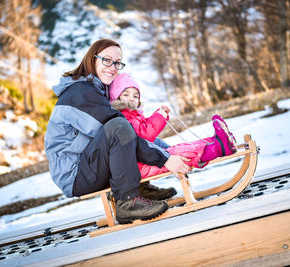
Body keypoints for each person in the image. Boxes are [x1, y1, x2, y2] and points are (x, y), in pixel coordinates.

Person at [44, 39, 191, 224]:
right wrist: (165, 159)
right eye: (107, 60)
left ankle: (139, 189)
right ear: (92, 59)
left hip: (88, 165)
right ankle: (127, 203)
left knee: (126, 126)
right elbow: (120, 133)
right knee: (119, 126)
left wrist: (171, 152)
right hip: (75, 175)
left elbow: (132, 137)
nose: (112, 67)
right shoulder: (80, 93)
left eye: (117, 62)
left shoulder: (97, 90)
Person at [108, 73, 237, 179]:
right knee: (180, 154)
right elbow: (145, 135)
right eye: (126, 94)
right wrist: (159, 116)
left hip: (146, 160)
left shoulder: (133, 116)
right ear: (116, 98)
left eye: (135, 96)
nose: (131, 98)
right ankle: (218, 147)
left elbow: (145, 126)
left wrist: (159, 114)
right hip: (140, 166)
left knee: (180, 148)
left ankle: (215, 140)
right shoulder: (122, 118)